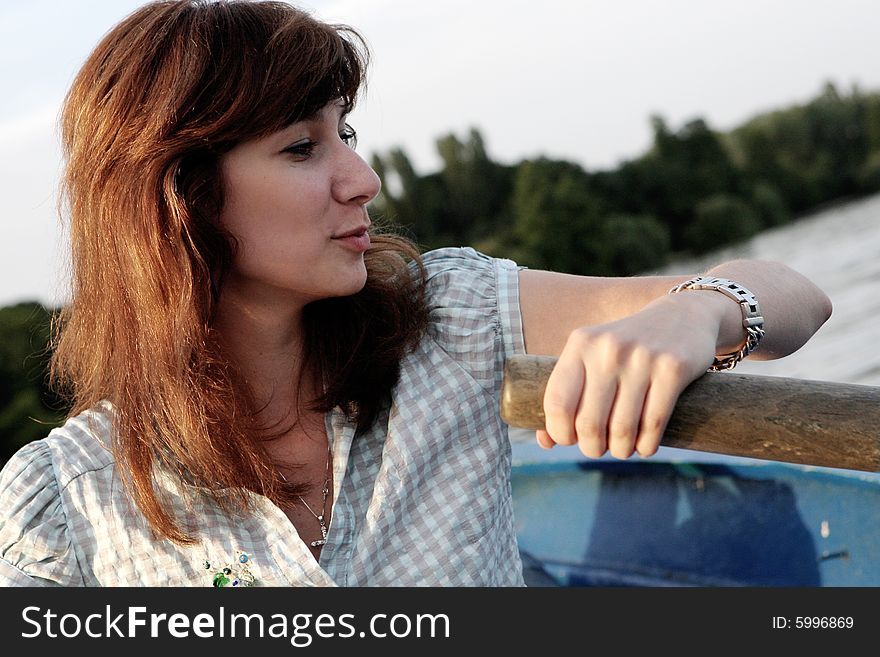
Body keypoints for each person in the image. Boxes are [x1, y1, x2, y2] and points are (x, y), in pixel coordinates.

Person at [0, 0, 831, 587]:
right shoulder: (69, 511)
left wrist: (697, 312)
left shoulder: (448, 320)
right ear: (178, 200)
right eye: (301, 147)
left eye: (345, 133)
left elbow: (797, 296)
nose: (362, 180)